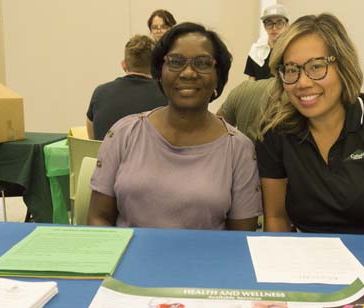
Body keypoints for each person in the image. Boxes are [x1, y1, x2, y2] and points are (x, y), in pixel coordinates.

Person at [256, 14, 364, 285]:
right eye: (291, 69)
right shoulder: (275, 132)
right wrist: (279, 270)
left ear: (343, 66)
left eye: (316, 66)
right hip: (307, 263)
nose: (303, 82)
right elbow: (276, 216)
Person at [88, 22, 262, 231]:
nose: (188, 73)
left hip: (204, 262)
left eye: (203, 63)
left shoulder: (239, 150)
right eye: (176, 61)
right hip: (130, 260)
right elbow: (98, 218)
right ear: (159, 72)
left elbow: (240, 239)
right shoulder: (123, 134)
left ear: (219, 76)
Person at [86, 35, 167, 140]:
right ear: (155, 66)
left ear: (124, 65)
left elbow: (92, 140)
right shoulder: (166, 94)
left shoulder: (100, 93)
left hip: (106, 156)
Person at [244, 4, 289, 80]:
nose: (274, 28)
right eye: (269, 23)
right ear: (264, 26)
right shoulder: (255, 52)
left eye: (279, 23)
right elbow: (250, 84)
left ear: (287, 25)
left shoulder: (291, 50)